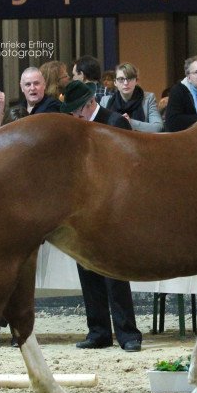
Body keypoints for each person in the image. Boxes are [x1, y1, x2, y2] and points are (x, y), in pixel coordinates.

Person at [60, 80, 142, 352]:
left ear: (88, 104)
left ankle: (128, 332)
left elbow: (128, 167)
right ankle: (98, 330)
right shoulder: (75, 126)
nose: (73, 116)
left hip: (112, 208)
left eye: (76, 111)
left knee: (114, 272)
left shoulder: (115, 122)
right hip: (82, 207)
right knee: (87, 269)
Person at [100, 62, 163, 133]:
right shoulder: (105, 101)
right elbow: (99, 129)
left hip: (140, 142)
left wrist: (131, 123)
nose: (126, 83)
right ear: (115, 82)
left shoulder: (148, 98)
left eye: (130, 78)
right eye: (121, 79)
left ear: (136, 81)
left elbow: (158, 128)